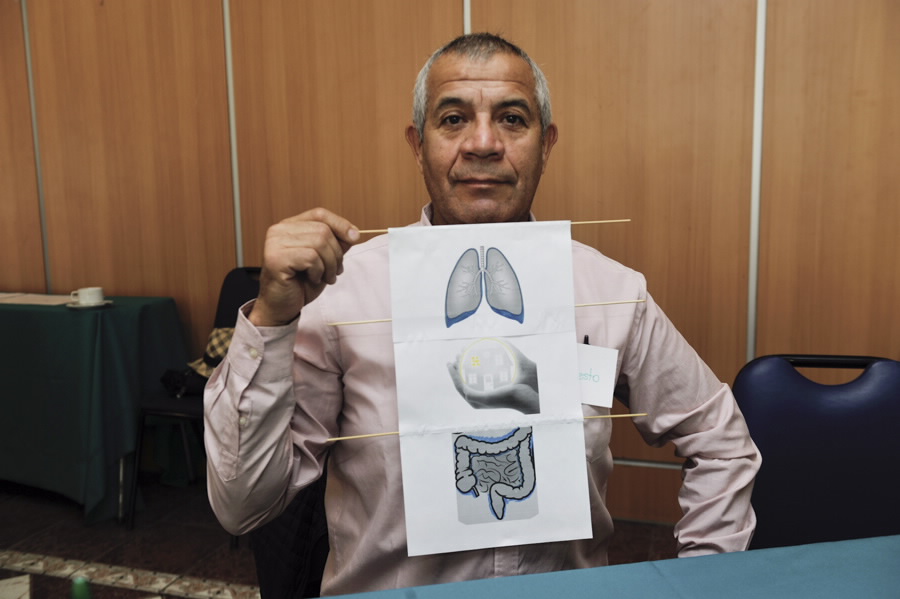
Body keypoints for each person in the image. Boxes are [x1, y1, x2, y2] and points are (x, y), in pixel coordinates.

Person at [204, 32, 761, 596]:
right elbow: (241, 505)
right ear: (418, 144)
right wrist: (271, 320)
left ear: (546, 144)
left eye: (512, 119)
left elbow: (720, 440)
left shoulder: (610, 292)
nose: (484, 143)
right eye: (453, 120)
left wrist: (703, 582)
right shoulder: (343, 296)